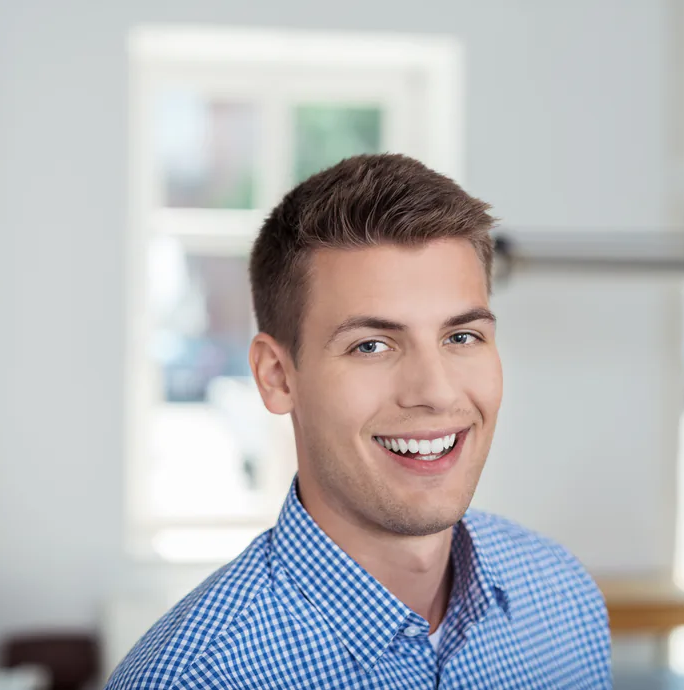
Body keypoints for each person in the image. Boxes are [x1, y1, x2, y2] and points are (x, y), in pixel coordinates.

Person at [106, 154, 611, 689]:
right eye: (371, 345)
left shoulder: (564, 602)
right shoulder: (190, 679)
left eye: (462, 337)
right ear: (277, 376)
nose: (436, 392)